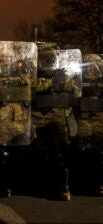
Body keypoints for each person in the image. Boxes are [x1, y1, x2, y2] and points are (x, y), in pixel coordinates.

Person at [32, 43, 81, 201]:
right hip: (37, 120)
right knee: (40, 153)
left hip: (58, 120)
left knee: (61, 153)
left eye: (51, 59)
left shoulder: (62, 76)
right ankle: (41, 184)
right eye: (45, 59)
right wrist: (52, 84)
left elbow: (76, 93)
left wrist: (63, 86)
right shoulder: (34, 77)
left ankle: (63, 186)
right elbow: (31, 89)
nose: (48, 62)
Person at [0, 41, 37, 197]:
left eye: (10, 57)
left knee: (20, 151)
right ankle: (0, 185)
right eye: (4, 56)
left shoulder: (22, 72)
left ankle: (18, 183)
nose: (7, 59)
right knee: (0, 153)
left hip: (20, 117)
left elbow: (32, 88)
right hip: (1, 117)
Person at [75, 54, 103, 196]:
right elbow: (74, 95)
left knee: (99, 150)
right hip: (85, 118)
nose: (92, 66)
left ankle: (98, 183)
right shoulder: (79, 79)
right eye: (89, 63)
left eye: (95, 63)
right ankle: (85, 182)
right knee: (84, 149)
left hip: (100, 118)